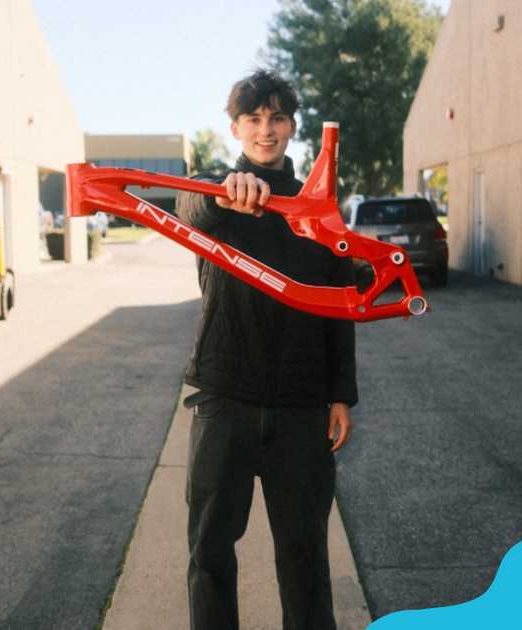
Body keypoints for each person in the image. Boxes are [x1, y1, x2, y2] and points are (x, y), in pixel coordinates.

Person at [175, 69, 357, 630]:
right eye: (253, 119)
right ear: (235, 127)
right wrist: (227, 195)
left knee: (304, 556)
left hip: (301, 408)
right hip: (224, 398)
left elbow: (341, 302)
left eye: (277, 117)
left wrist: (340, 395)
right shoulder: (216, 192)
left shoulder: (317, 205)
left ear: (293, 126)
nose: (266, 129)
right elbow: (189, 208)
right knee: (209, 553)